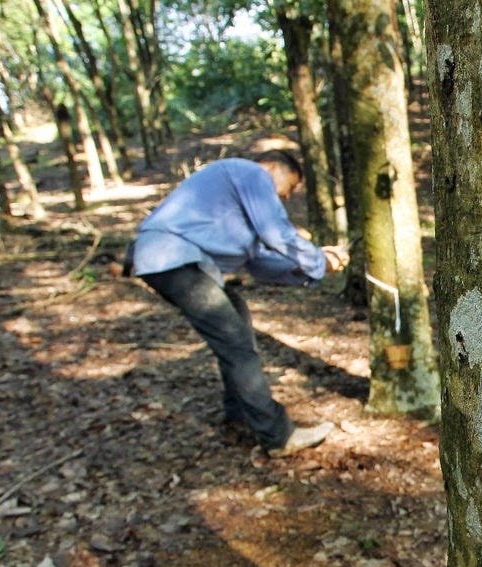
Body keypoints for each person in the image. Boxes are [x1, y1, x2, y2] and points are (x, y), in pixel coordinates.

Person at [128, 150, 348, 457]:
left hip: (175, 262)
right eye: (289, 187)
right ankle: (277, 436)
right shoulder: (251, 172)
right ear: (272, 167)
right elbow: (277, 234)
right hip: (172, 258)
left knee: (237, 320)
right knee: (236, 345)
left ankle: (240, 415)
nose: (285, 197)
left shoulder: (239, 204)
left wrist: (314, 267)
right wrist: (316, 257)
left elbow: (259, 264)